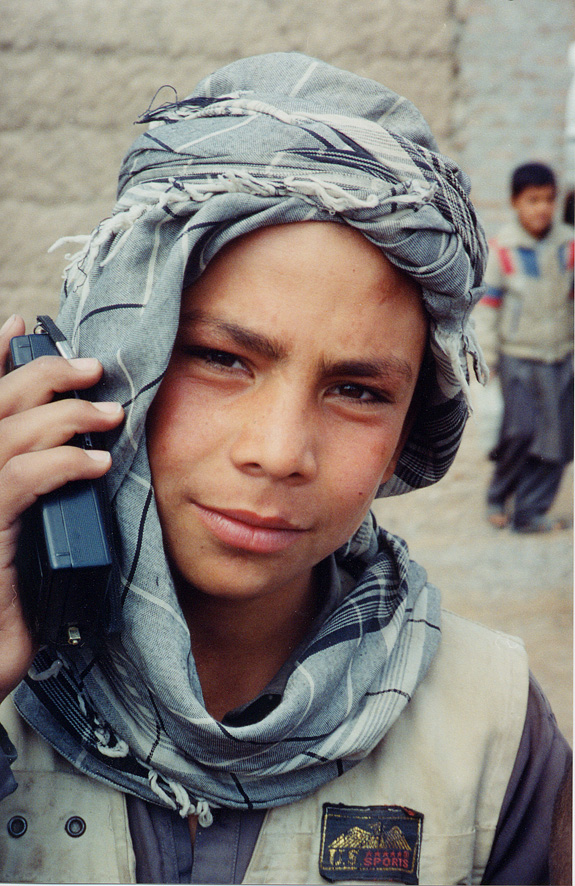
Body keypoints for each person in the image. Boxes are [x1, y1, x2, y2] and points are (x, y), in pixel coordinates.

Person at [0, 54, 571, 885]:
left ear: (411, 425)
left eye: (356, 389)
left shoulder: (491, 727)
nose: (277, 451)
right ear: (115, 351)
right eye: (221, 359)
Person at [475, 162, 574, 532]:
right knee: (519, 433)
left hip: (559, 358)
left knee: (560, 440)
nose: (542, 208)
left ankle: (530, 512)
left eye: (548, 199)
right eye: (532, 200)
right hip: (518, 358)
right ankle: (498, 495)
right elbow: (487, 311)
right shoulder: (502, 250)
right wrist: (488, 357)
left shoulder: (568, 245)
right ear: (515, 202)